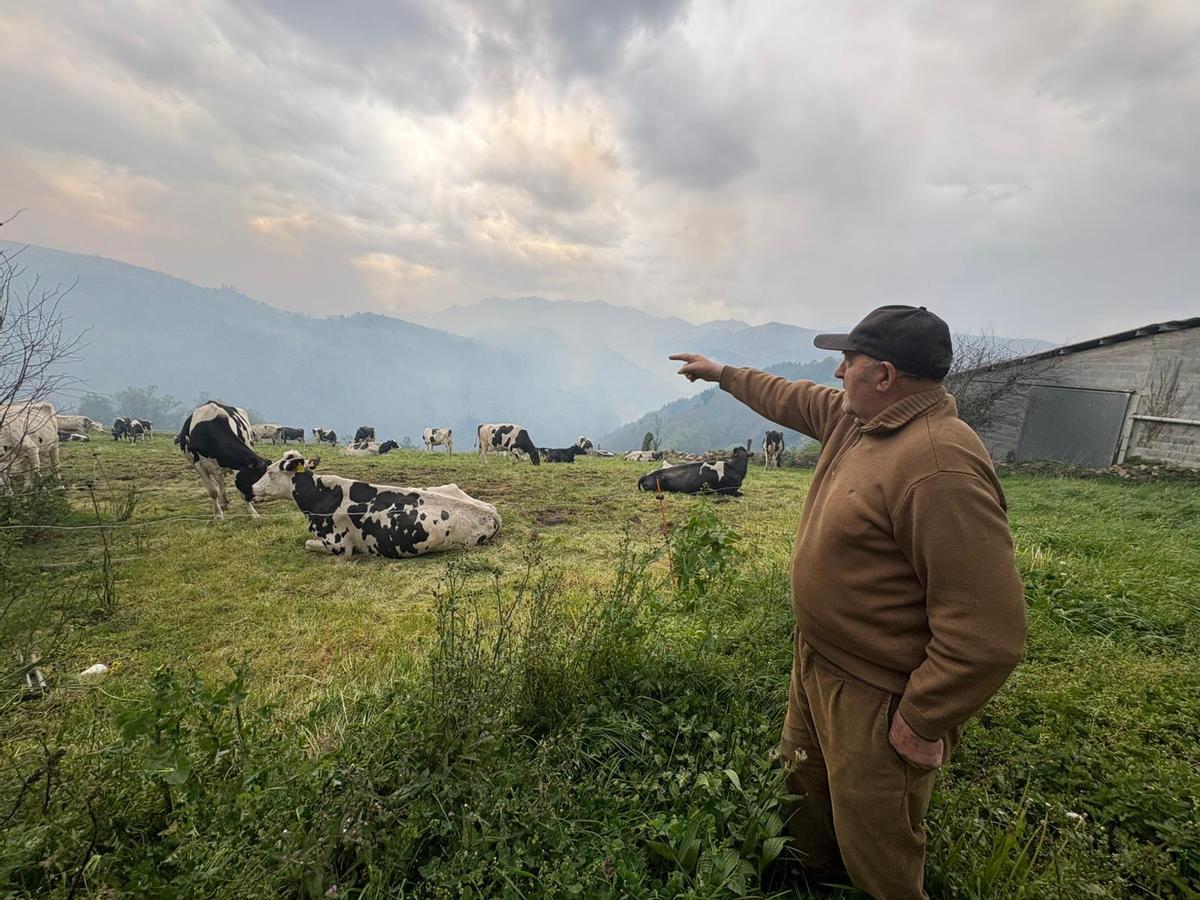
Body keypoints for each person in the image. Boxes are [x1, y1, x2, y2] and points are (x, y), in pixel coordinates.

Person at [670, 305, 1026, 900]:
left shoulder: (939, 465)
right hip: (817, 663)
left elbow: (990, 632)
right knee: (803, 800)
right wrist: (722, 373)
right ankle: (808, 880)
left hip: (876, 696)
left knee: (879, 852)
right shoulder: (859, 418)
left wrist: (921, 718)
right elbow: (791, 397)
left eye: (848, 361)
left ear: (884, 375)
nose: (837, 373)